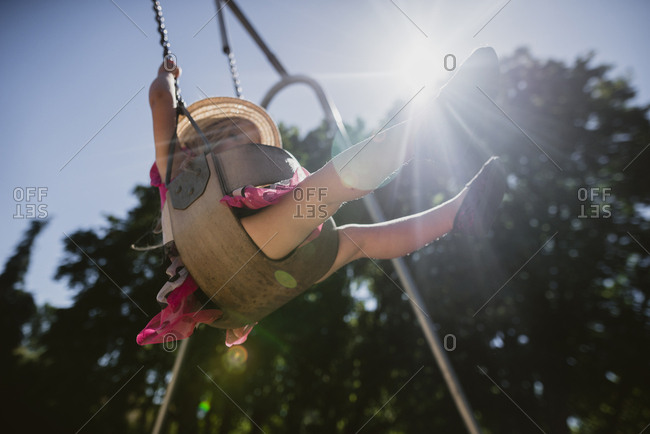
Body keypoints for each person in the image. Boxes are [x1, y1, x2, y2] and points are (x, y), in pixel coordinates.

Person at [138, 47, 507, 346]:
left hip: (266, 283)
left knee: (355, 239)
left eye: (251, 142)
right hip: (232, 258)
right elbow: (159, 99)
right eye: (233, 136)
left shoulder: (256, 194)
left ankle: (457, 213)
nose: (245, 149)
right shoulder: (178, 170)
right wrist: (166, 76)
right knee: (329, 188)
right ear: (203, 141)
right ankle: (429, 122)